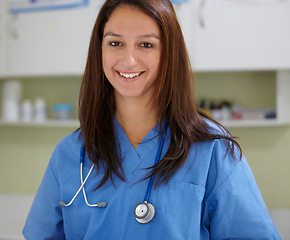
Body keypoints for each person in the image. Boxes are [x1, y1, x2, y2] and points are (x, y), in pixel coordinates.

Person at [23, 0, 281, 239]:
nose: (129, 60)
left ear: (168, 53)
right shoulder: (70, 154)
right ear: (99, 50)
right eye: (115, 43)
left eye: (146, 44)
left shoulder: (213, 151)